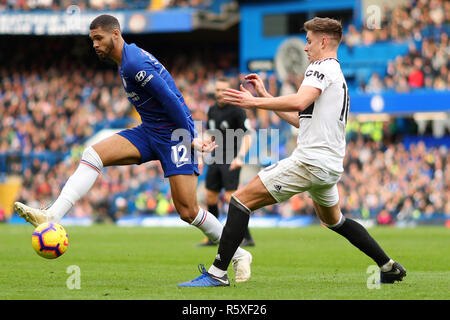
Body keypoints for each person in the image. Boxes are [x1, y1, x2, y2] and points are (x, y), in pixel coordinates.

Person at [14, 14, 252, 283]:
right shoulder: (126, 60)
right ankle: (52, 214)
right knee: (94, 153)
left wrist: (190, 137)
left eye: (99, 38)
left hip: (174, 136)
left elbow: (171, 99)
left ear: (115, 34)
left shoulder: (133, 63)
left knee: (188, 211)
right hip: (150, 131)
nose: (94, 44)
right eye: (92, 39)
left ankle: (239, 254)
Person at [178, 17, 406, 287]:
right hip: (329, 166)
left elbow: (299, 102)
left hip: (310, 161)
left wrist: (256, 101)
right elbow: (302, 120)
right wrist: (266, 94)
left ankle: (217, 273)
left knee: (240, 200)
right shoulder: (337, 76)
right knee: (335, 221)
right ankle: (388, 266)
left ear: (323, 41)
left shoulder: (319, 68)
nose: (306, 48)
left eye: (309, 41)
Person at [198, 77, 255, 247]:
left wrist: (240, 157)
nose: (220, 93)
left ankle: (246, 237)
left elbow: (248, 135)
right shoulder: (212, 110)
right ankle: (213, 236)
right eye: (217, 90)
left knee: (232, 198)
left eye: (224, 90)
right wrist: (202, 151)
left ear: (229, 91)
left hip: (232, 158)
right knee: (210, 196)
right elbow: (211, 133)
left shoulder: (237, 110)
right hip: (216, 157)